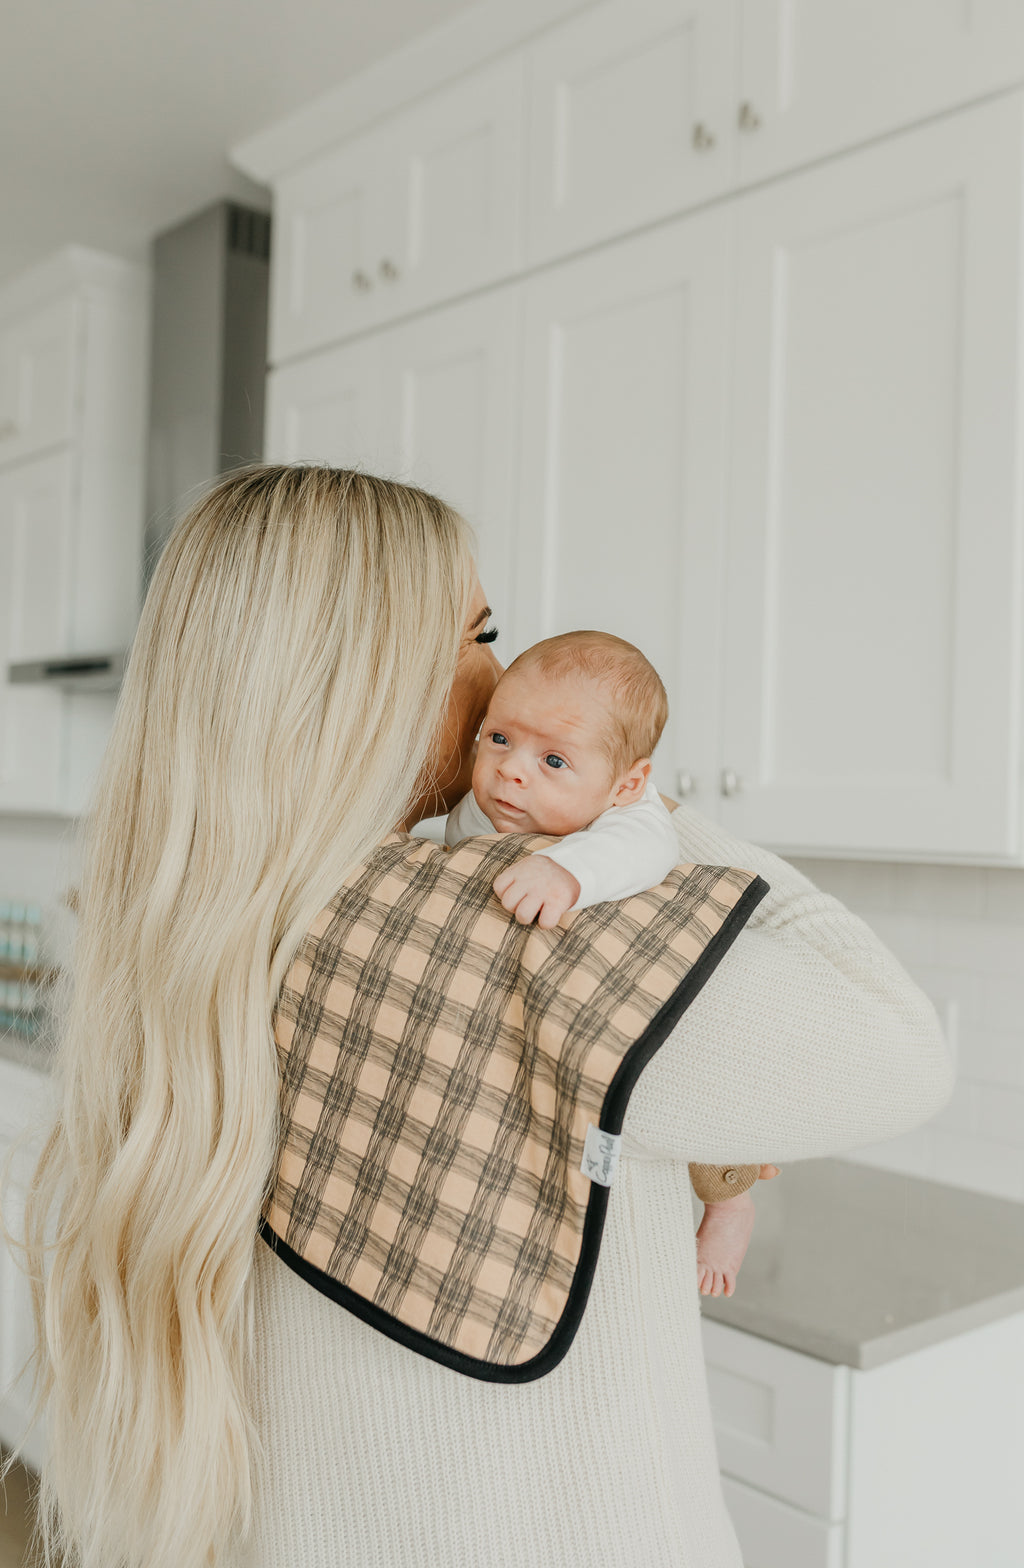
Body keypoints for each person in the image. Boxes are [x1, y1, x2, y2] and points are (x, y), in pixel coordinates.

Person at [7, 466, 954, 1568]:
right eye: (480, 632)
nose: (508, 671)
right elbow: (897, 1038)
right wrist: (625, 798)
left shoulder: (200, 925)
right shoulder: (518, 931)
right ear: (365, 680)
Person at [445, 628, 765, 1300]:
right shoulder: (488, 807)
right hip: (570, 1004)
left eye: (554, 760)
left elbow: (642, 852)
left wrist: (566, 872)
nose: (512, 770)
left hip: (672, 1007)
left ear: (629, 782)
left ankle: (730, 1203)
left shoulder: (629, 818)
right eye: (499, 738)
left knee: (706, 1100)